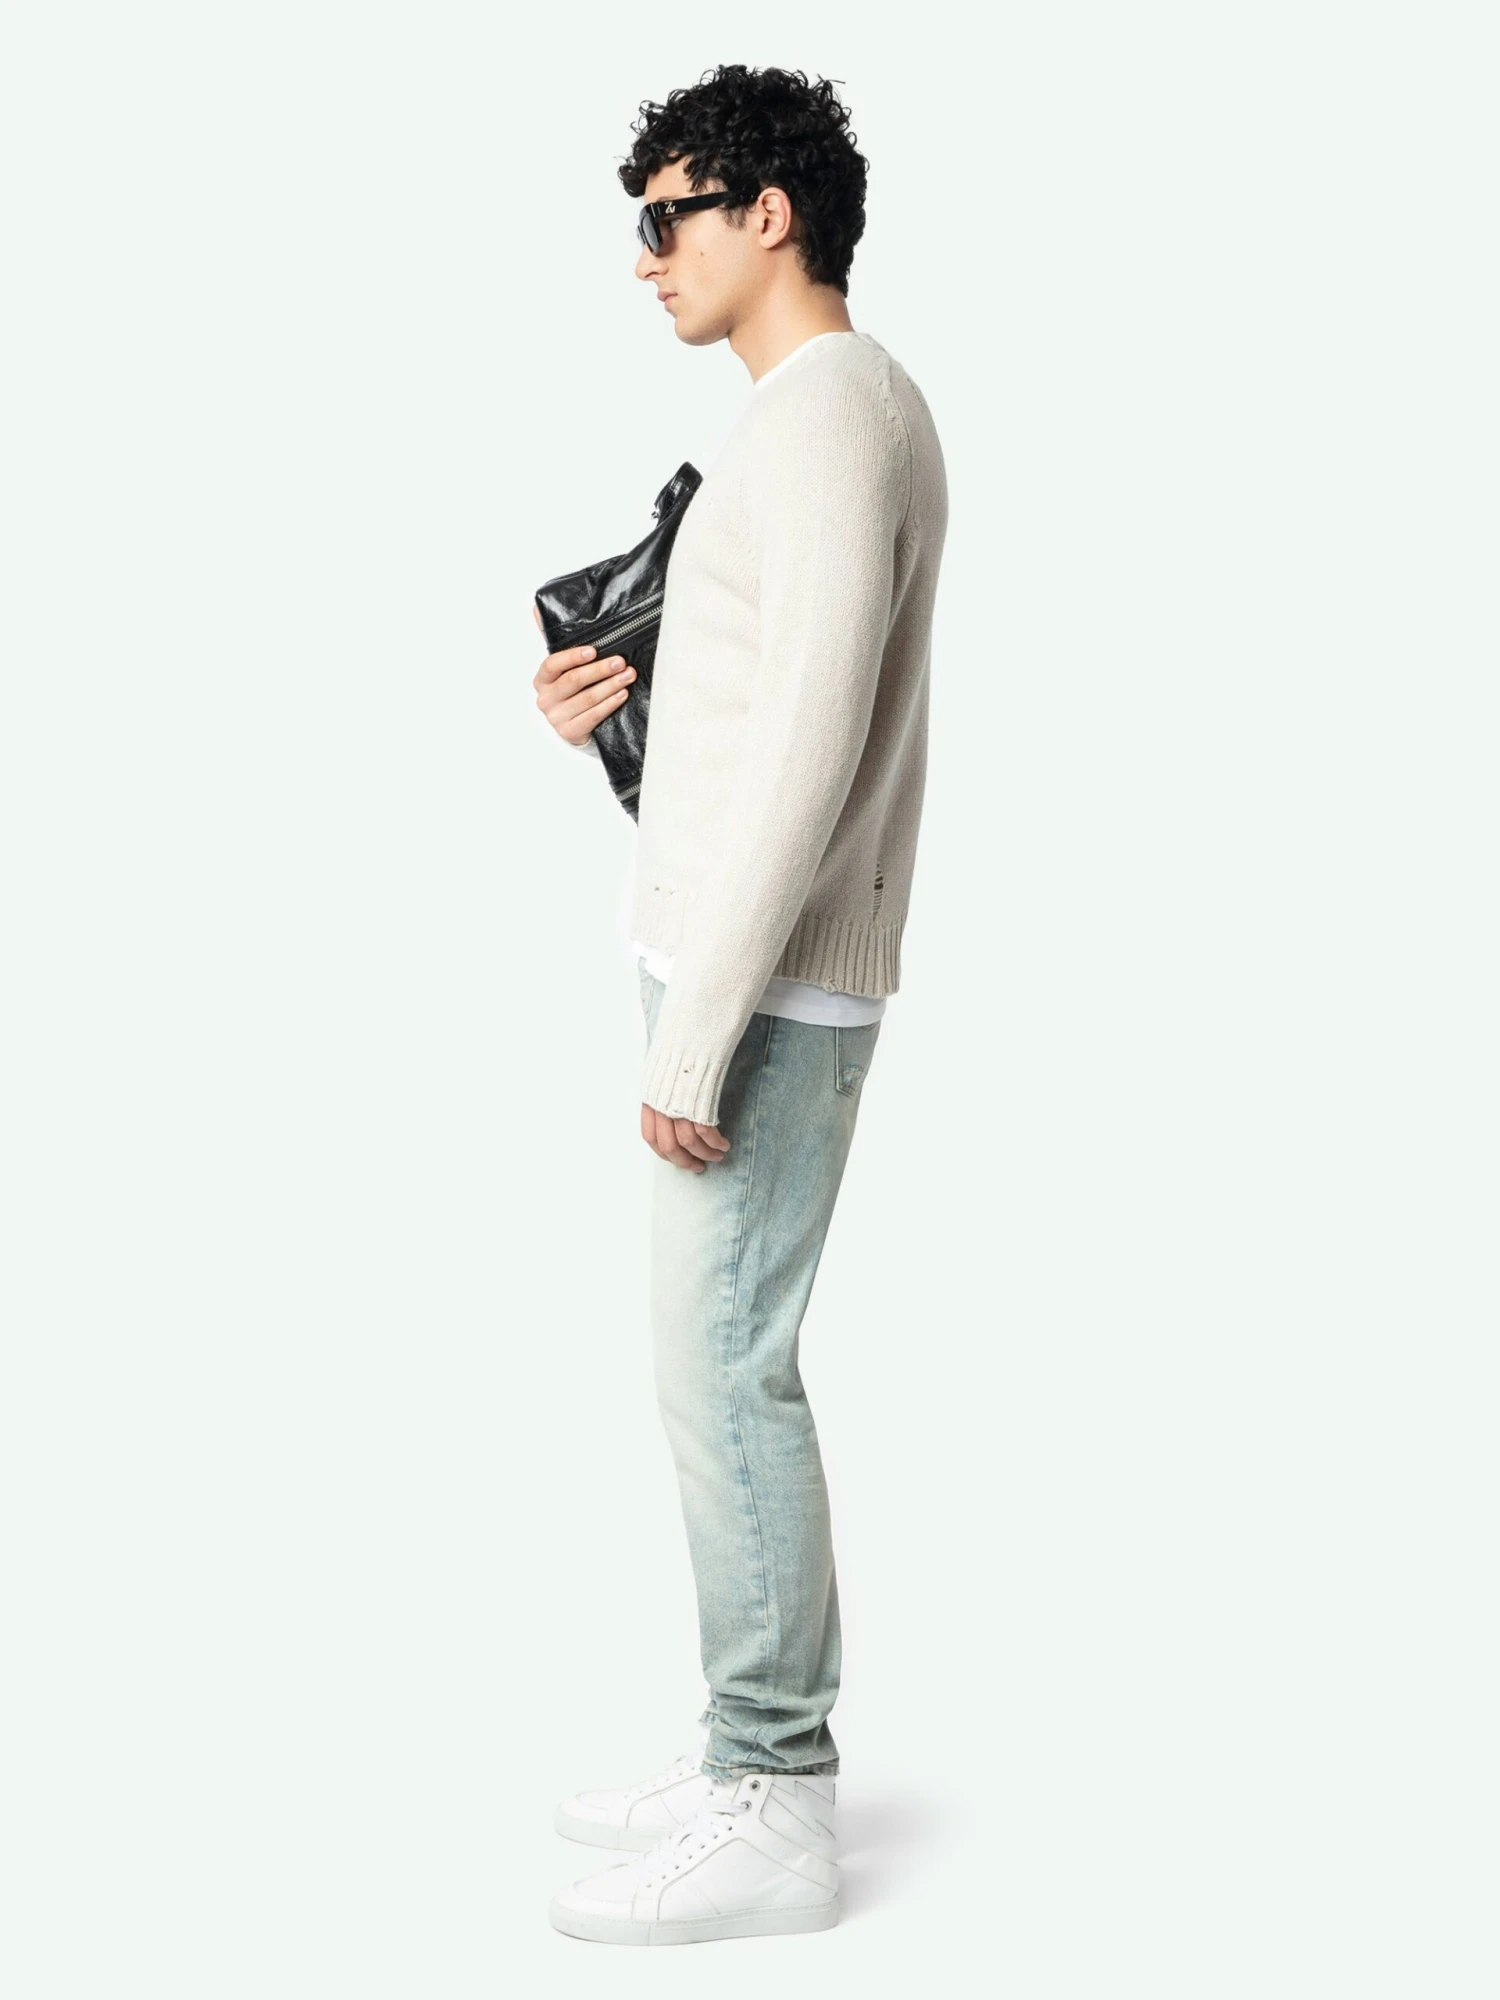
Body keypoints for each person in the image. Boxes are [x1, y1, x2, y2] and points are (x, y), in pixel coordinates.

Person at [530, 63, 948, 1947]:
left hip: (759, 991)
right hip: (727, 963)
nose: (648, 259)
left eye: (668, 217)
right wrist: (610, 721)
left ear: (768, 215)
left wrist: (699, 1031)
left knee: (726, 1370)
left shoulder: (839, 411)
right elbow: (742, 724)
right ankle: (742, 1755)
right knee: (707, 1366)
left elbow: (813, 748)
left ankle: (777, 1798)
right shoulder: (794, 419)